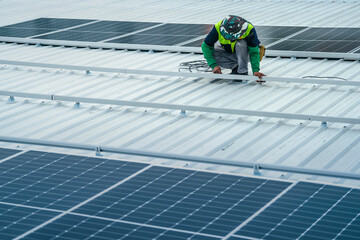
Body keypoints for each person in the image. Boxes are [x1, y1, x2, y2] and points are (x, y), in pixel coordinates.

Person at [202, 15, 266, 80]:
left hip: (246, 54)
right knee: (211, 53)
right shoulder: (218, 27)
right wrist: (214, 65)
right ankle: (236, 67)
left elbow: (254, 52)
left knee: (241, 43)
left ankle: (242, 71)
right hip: (230, 52)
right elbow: (206, 46)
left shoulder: (249, 29)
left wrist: (255, 71)